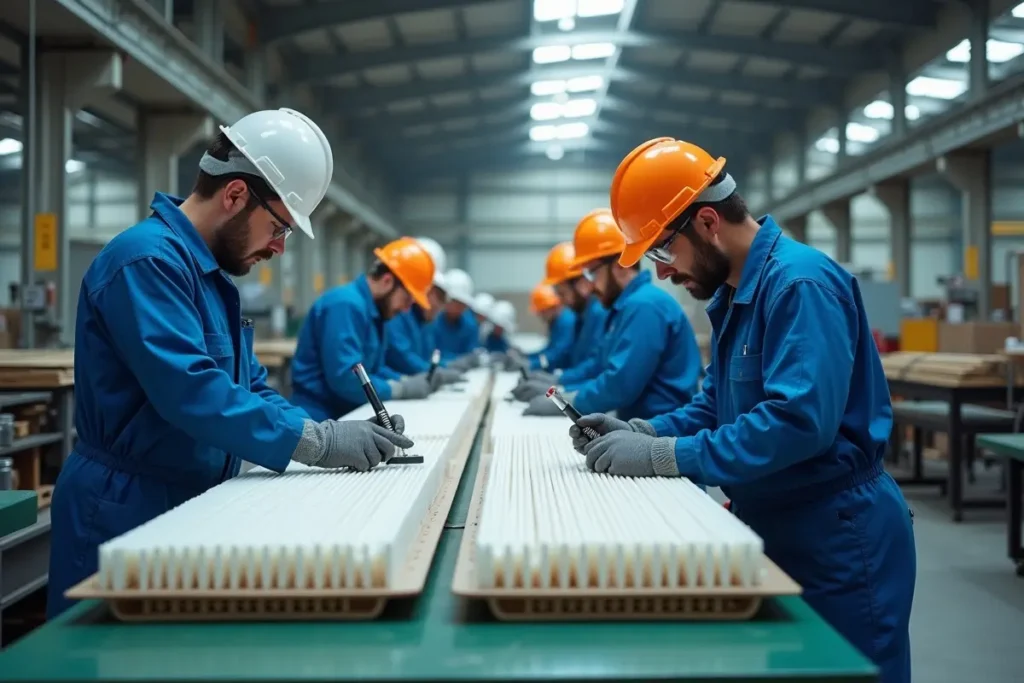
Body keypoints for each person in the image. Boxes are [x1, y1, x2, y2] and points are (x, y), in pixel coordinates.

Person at [569, 137, 915, 683]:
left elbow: (798, 423)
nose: (661, 272)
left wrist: (664, 455)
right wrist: (642, 429)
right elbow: (716, 404)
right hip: (774, 521)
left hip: (836, 536)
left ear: (707, 222)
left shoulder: (799, 284)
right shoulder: (734, 294)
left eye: (663, 250)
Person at [47, 109, 414, 618]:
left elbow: (249, 386)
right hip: (124, 505)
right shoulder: (147, 262)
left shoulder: (211, 276)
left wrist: (326, 431)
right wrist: (319, 444)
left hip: (190, 495)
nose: (280, 248)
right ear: (236, 195)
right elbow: (192, 392)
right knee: (97, 663)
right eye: (279, 226)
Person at [519, 211, 700, 420]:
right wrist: (559, 386)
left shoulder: (645, 306)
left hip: (662, 429)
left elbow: (620, 384)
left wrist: (567, 401)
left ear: (620, 265)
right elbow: (600, 367)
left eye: (591, 273)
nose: (589, 286)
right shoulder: (624, 308)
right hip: (641, 423)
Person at [291, 237, 445, 421]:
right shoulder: (345, 305)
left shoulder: (373, 313)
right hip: (318, 417)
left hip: (345, 412)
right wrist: (399, 389)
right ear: (387, 281)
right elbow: (346, 378)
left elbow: (374, 369)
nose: (406, 309)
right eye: (407, 299)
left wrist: (404, 381)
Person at [385, 237, 461, 384]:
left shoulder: (420, 319)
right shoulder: (398, 313)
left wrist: (441, 367)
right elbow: (401, 357)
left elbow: (425, 356)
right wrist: (401, 385)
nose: (439, 305)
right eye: (437, 295)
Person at [524, 283, 577, 371]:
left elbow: (556, 355)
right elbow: (549, 350)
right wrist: (527, 357)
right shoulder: (557, 321)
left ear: (550, 307)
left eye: (541, 312)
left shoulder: (566, 321)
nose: (541, 316)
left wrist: (531, 363)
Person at [434, 268, 480, 369]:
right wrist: (448, 363)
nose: (459, 308)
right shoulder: (432, 323)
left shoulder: (470, 326)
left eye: (462, 304)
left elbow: (471, 353)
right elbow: (429, 354)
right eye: (456, 303)